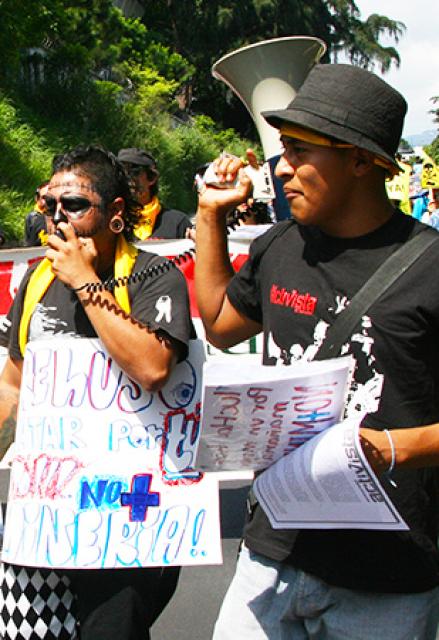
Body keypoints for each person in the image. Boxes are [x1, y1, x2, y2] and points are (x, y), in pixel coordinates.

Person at [194, 63, 439, 640]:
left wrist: (390, 448)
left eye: (303, 150)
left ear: (362, 161)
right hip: (271, 553)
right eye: (284, 149)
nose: (283, 166)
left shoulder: (430, 266)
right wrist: (210, 215)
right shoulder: (280, 245)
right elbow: (222, 325)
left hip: (390, 576)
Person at [0, 145, 194, 639]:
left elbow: (153, 368)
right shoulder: (39, 281)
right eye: (50, 206)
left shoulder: (154, 275)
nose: (59, 218)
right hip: (49, 510)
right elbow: (14, 383)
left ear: (114, 215)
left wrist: (86, 281)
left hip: (129, 514)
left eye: (76, 205)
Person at [117, 147, 192, 239]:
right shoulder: (109, 221)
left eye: (134, 172)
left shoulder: (177, 223)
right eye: (120, 173)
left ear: (151, 178)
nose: (127, 179)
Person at [24, 181, 53, 246]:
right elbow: (29, 244)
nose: (48, 201)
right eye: (44, 197)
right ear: (37, 199)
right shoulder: (33, 218)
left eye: (51, 197)